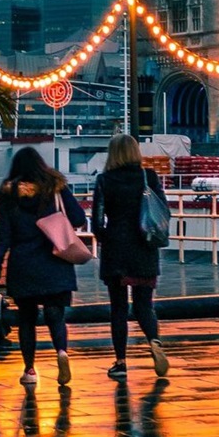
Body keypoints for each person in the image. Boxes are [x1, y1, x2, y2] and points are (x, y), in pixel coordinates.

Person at [0, 146, 85, 387]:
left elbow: (3, 234)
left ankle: (30, 369)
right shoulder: (56, 188)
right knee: (55, 314)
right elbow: (79, 218)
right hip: (55, 261)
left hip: (24, 263)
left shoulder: (10, 194)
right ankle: (61, 351)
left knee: (27, 320)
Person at [92, 134, 169, 379]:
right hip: (144, 247)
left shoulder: (105, 180)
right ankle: (154, 341)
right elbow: (163, 211)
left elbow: (96, 221)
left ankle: (121, 362)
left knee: (118, 309)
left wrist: (105, 238)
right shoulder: (149, 177)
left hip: (116, 249)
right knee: (144, 305)